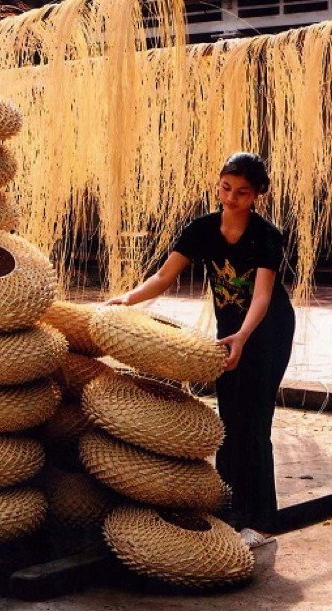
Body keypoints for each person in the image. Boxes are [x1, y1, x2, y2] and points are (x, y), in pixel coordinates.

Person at [107, 152, 295, 543]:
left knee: (255, 423)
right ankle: (228, 508)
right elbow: (163, 276)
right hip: (229, 331)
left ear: (258, 193)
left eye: (242, 192)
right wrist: (128, 299)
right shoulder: (203, 229)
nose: (231, 198)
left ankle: (261, 523)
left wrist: (242, 337)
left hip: (267, 331)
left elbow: (261, 297)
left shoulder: (267, 235)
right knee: (228, 421)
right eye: (226, 188)